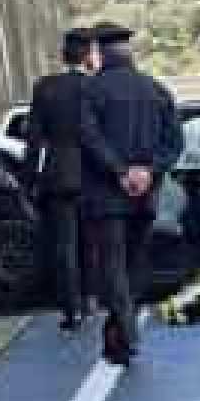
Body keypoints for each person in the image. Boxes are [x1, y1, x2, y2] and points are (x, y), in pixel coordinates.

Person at [81, 21, 183, 365]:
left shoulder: (92, 92)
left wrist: (120, 171)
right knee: (135, 264)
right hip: (145, 195)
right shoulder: (156, 89)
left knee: (112, 265)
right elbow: (175, 142)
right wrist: (149, 171)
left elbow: (89, 139)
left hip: (107, 195)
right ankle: (121, 337)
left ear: (100, 52)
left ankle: (126, 331)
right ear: (129, 51)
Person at [23, 28, 97, 330]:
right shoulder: (95, 87)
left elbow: (34, 140)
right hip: (93, 174)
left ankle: (72, 309)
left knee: (64, 245)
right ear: (88, 56)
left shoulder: (45, 88)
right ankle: (91, 298)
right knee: (92, 241)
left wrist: (29, 180)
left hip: (58, 174)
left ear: (64, 55)